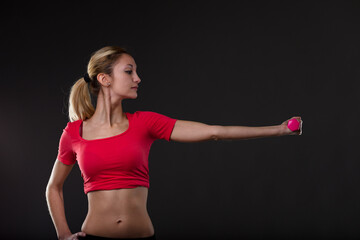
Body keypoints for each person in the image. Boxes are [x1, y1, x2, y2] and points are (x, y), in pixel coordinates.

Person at [45, 46, 303, 240]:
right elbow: (53, 188)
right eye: (129, 71)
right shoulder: (74, 133)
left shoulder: (145, 123)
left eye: (136, 72)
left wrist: (278, 130)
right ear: (104, 79)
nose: (138, 78)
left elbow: (215, 131)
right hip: (94, 238)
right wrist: (63, 235)